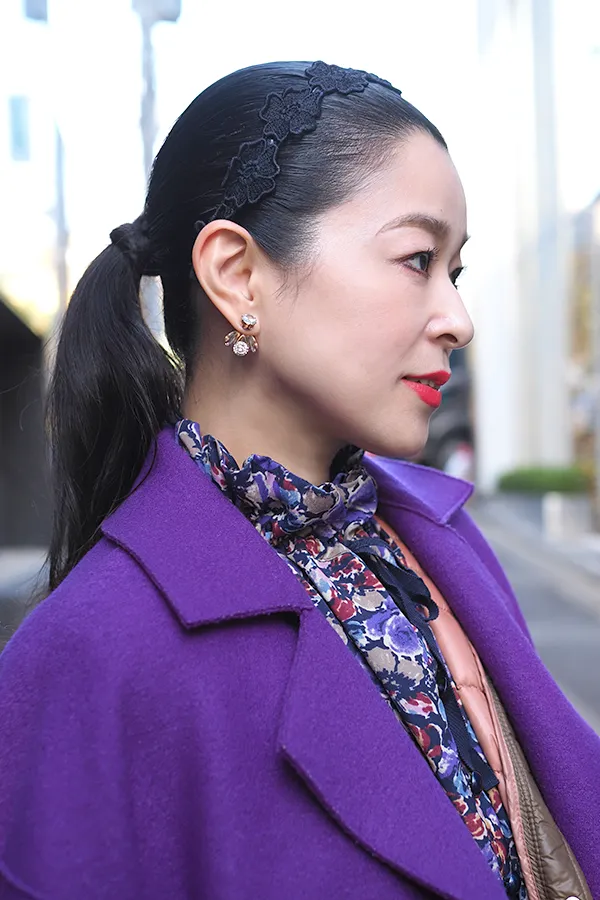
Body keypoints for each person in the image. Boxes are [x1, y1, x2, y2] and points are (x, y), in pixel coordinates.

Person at [0, 61, 596, 900]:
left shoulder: (443, 541)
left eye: (455, 273)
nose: (458, 320)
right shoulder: (84, 660)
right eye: (417, 259)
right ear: (238, 274)